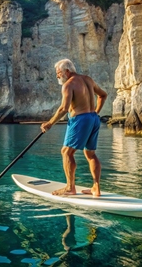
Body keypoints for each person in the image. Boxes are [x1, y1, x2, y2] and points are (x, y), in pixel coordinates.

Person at [40, 59, 107, 197]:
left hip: (80, 119)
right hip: (94, 118)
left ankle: (70, 188)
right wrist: (94, 112)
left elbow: (64, 109)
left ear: (67, 71)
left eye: (58, 73)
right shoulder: (88, 79)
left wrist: (49, 123)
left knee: (66, 152)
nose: (57, 76)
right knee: (90, 154)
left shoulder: (68, 85)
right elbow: (103, 95)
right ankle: (96, 188)